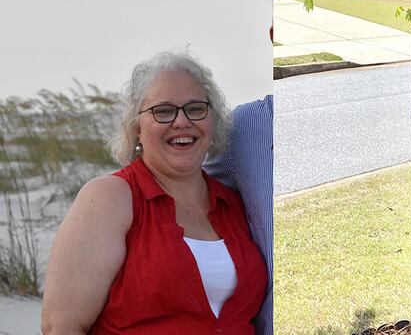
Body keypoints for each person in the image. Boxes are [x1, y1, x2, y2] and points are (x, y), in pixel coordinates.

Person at [42, 52, 268, 334]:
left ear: (213, 120)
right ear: (136, 128)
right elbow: (61, 325)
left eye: (195, 108)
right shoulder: (108, 199)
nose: (182, 122)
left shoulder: (233, 203)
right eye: (163, 111)